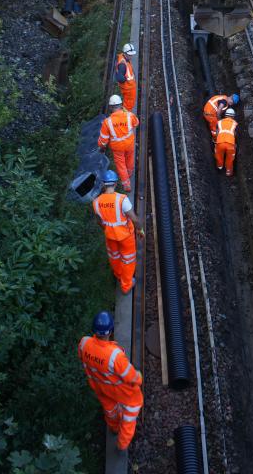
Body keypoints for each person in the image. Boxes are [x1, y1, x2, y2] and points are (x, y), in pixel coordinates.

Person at [78, 311, 143, 452]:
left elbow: (84, 359)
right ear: (110, 331)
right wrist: (139, 378)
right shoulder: (115, 356)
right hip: (122, 392)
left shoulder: (84, 343)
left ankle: (113, 428)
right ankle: (122, 444)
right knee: (131, 412)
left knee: (110, 410)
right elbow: (131, 376)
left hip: (99, 387)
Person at [92, 170, 144, 294]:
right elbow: (135, 219)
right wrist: (140, 230)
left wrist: (107, 230)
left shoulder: (96, 202)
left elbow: (99, 222)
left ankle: (119, 274)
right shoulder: (122, 200)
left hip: (110, 236)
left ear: (104, 185)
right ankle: (126, 285)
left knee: (114, 257)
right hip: (125, 236)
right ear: (115, 184)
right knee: (128, 259)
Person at [98, 95, 140, 192]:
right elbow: (136, 123)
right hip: (129, 143)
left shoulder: (107, 122)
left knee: (121, 165)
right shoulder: (129, 115)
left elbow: (103, 140)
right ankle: (129, 173)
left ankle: (126, 184)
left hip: (117, 147)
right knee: (130, 158)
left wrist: (101, 147)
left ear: (111, 107)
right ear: (121, 105)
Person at [214, 107, 238, 177]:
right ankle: (228, 172)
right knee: (230, 159)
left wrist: (217, 140)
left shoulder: (219, 122)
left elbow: (217, 132)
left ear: (225, 115)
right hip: (230, 144)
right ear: (233, 116)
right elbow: (235, 134)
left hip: (220, 143)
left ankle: (219, 167)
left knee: (219, 156)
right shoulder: (235, 124)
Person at [115, 43, 137, 112]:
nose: (131, 56)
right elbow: (119, 77)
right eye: (130, 54)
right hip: (128, 90)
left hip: (129, 88)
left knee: (127, 105)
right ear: (125, 53)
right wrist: (125, 80)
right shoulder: (122, 64)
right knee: (128, 107)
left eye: (132, 54)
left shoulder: (124, 59)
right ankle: (125, 117)